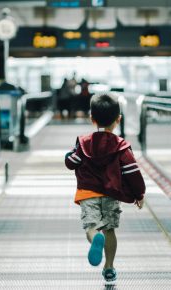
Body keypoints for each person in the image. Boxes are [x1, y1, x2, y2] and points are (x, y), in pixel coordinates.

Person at [65, 93, 146, 284]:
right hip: (111, 193)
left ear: (92, 119)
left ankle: (94, 238)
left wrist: (69, 154)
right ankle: (109, 268)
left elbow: (71, 163)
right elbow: (132, 172)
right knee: (110, 230)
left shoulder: (84, 144)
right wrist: (139, 194)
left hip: (88, 193)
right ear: (118, 119)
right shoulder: (121, 147)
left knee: (91, 227)